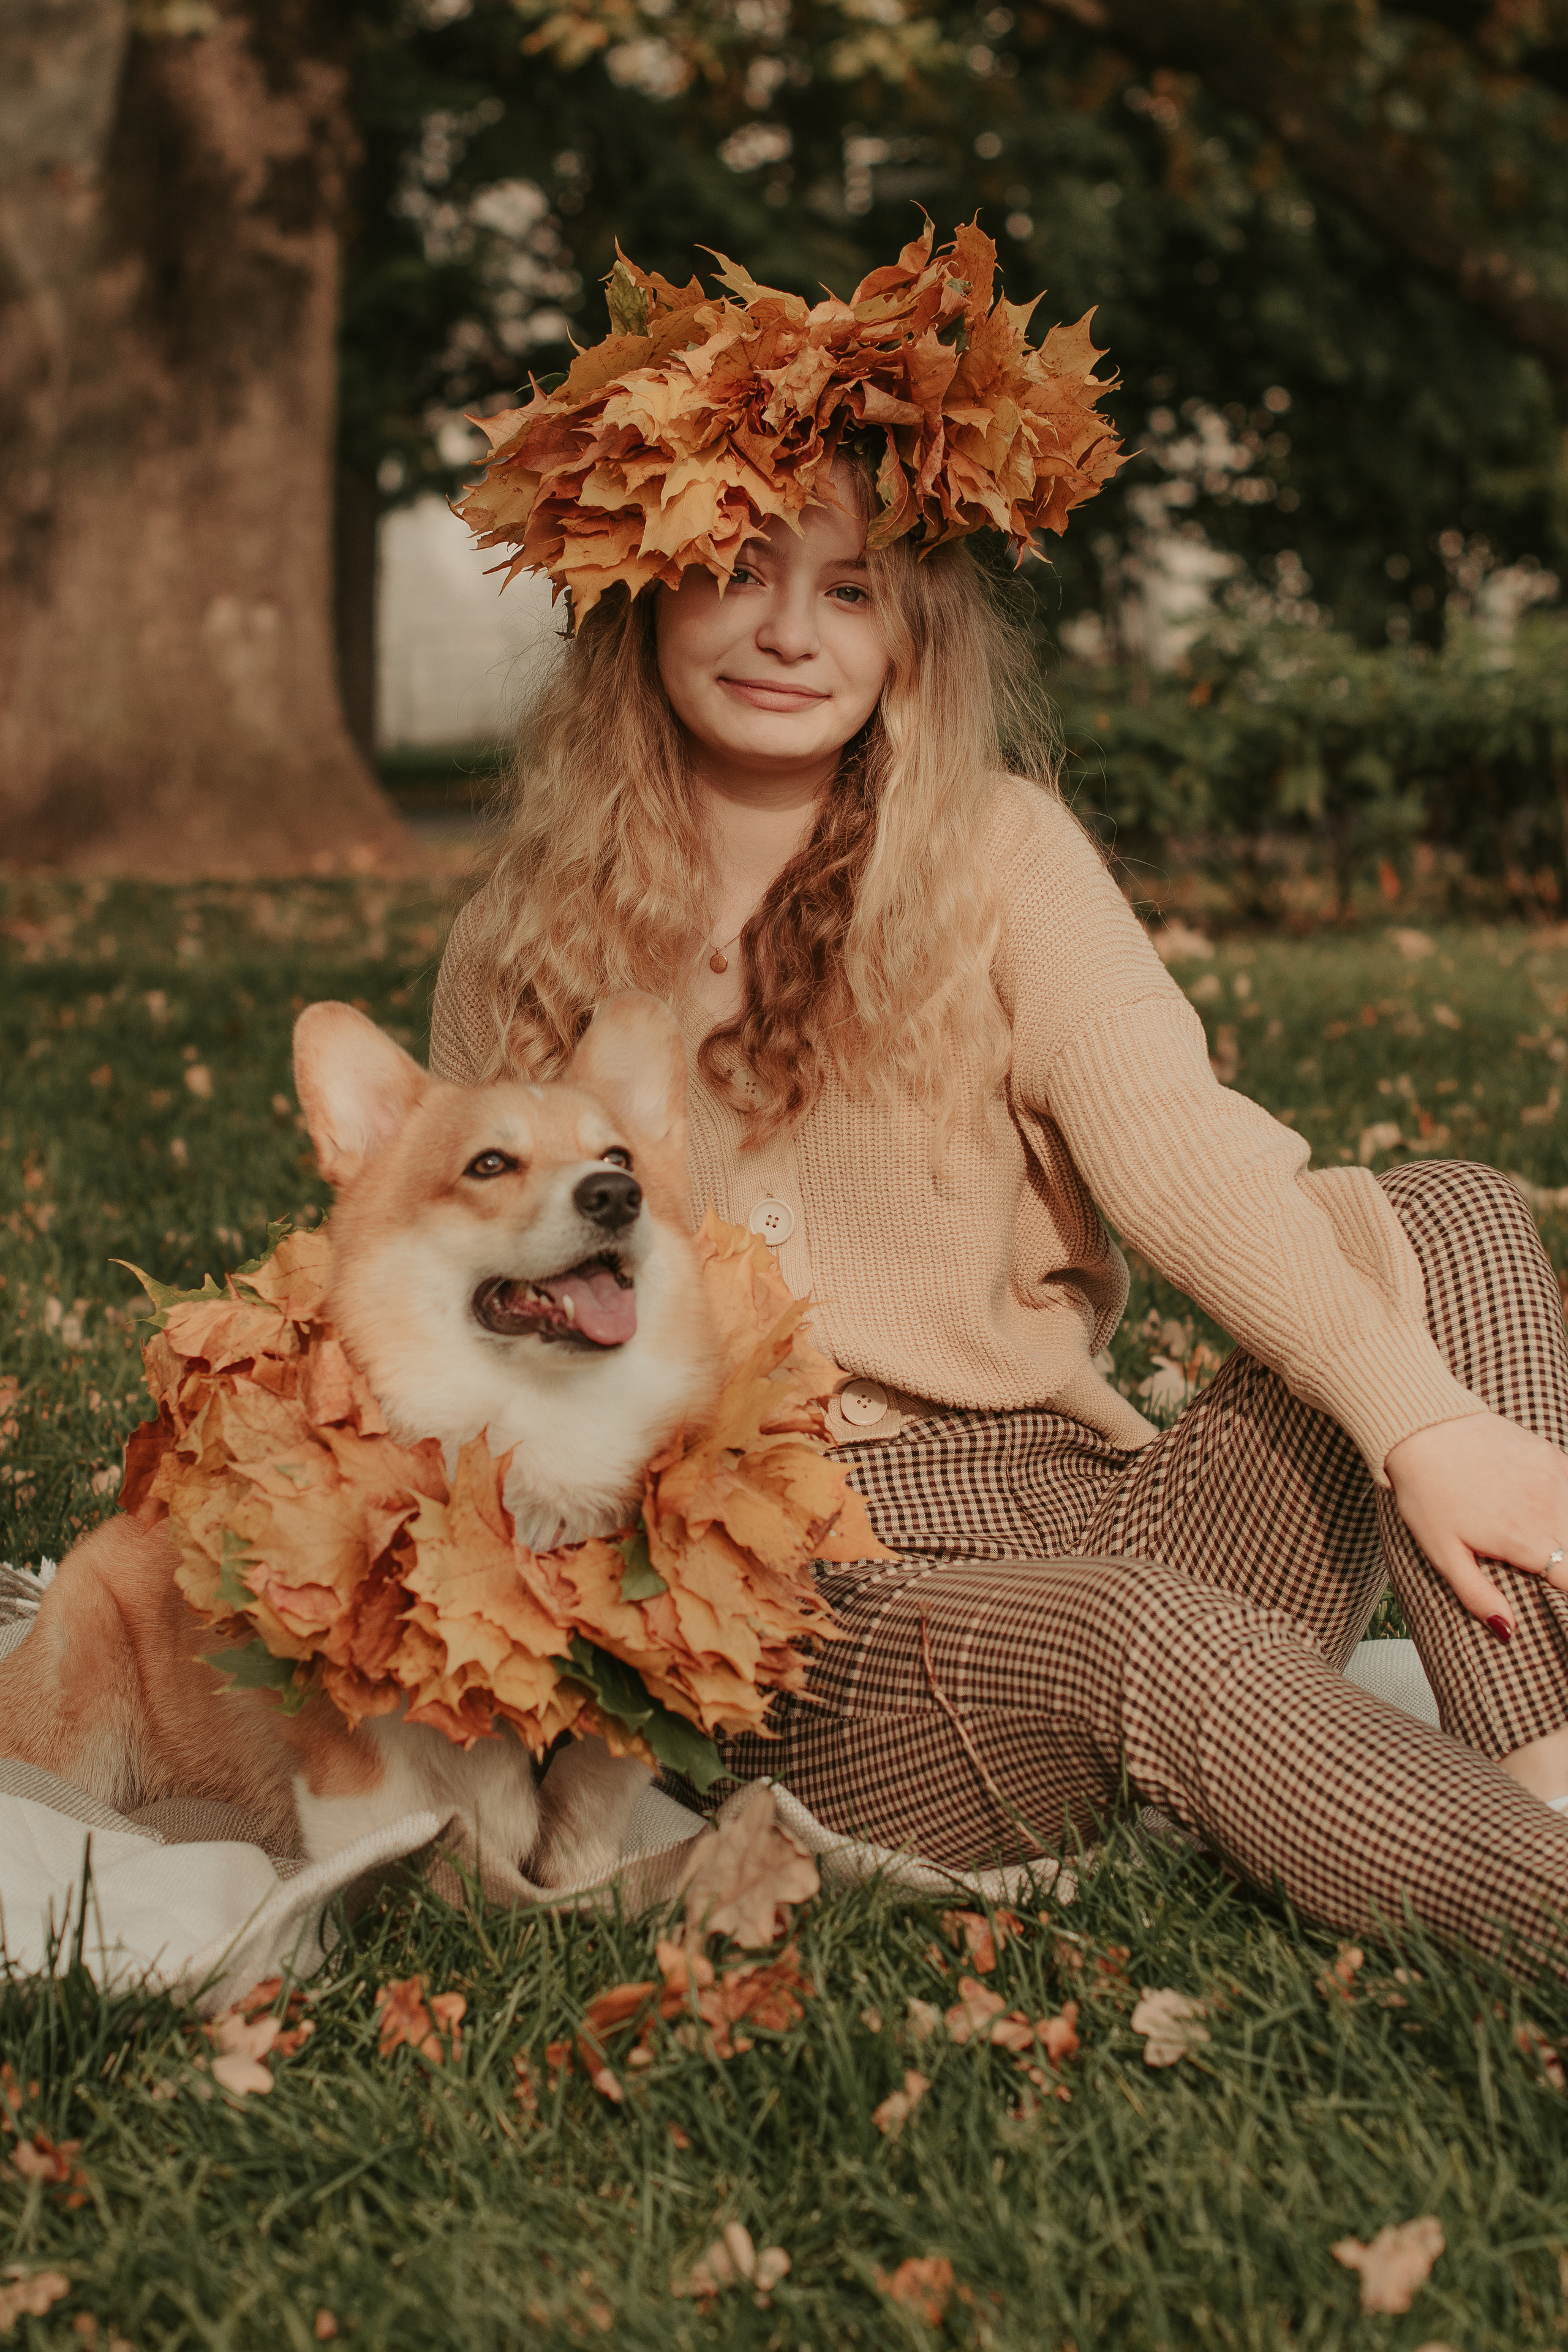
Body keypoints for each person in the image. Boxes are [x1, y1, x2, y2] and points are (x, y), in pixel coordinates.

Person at [431, 228, 1568, 1964]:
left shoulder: (995, 853)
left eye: (853, 585)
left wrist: (1421, 1426)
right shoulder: (527, 944)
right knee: (1137, 1637)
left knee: (1457, 1217)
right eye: (738, 566)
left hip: (1098, 1497)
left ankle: (1552, 1772)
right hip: (822, 1613)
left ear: (916, 629)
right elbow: (463, 1313)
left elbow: (1177, 1146)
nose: (789, 632)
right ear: (645, 588)